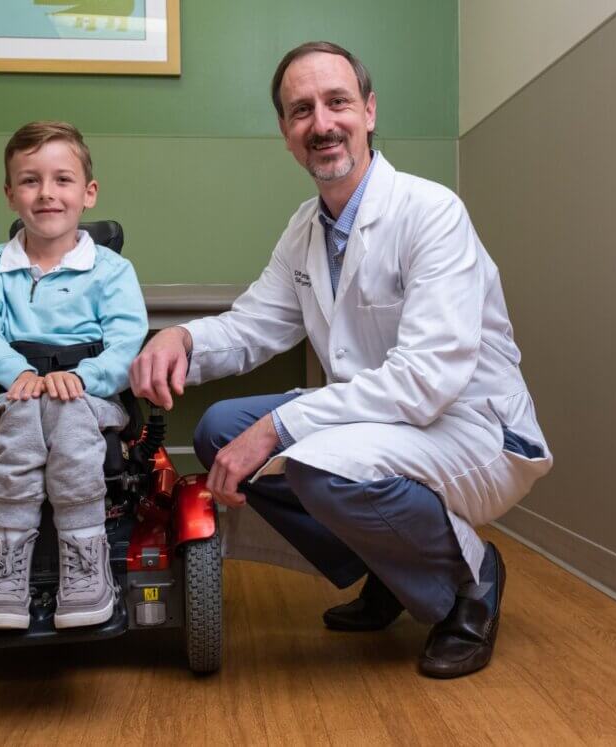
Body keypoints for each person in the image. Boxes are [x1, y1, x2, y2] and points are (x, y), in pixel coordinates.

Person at [131, 42, 553, 678]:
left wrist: (275, 429)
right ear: (285, 133)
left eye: (337, 103)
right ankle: (391, 568)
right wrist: (182, 340)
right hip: (383, 420)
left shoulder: (431, 212)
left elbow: (424, 381)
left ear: (370, 111)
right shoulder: (306, 228)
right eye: (301, 110)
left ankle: (469, 582)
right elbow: (255, 324)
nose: (322, 123)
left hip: (471, 428)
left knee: (312, 462)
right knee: (221, 432)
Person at [0, 121, 148, 630]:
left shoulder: (110, 271)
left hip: (90, 395)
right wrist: (15, 371)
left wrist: (85, 377)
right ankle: (7, 562)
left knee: (70, 416)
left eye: (62, 180)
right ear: (11, 195)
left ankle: (85, 559)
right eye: (31, 181)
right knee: (21, 421)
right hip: (13, 392)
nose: (47, 194)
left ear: (88, 193)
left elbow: (128, 340)